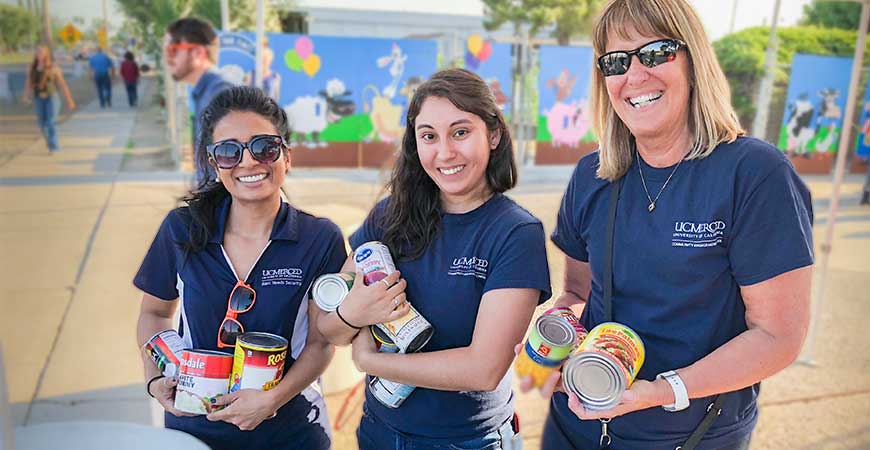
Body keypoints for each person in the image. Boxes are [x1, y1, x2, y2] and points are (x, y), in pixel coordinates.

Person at [528, 1, 814, 449]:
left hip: (689, 436)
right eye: (617, 61)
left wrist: (662, 391)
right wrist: (550, 342)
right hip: (575, 426)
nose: (635, 75)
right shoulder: (592, 175)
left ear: (693, 59)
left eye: (657, 51)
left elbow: (778, 336)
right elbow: (579, 296)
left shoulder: (755, 174)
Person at [317, 68, 552, 450]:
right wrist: (352, 315)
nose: (445, 152)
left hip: (467, 441)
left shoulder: (515, 232)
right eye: (429, 136)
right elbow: (327, 327)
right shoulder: (388, 216)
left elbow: (482, 369)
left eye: (461, 132)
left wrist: (370, 361)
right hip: (378, 431)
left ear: (492, 135)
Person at [134, 86, 342, 450]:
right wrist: (155, 380)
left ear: (286, 157)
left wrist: (272, 400)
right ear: (215, 165)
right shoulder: (181, 230)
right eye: (229, 152)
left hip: (290, 431)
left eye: (264, 147)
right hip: (194, 431)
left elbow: (321, 343)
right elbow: (153, 313)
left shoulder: (319, 239)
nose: (248, 162)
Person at [164, 17, 234, 186]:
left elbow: (230, 163)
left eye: (173, 50)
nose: (168, 59)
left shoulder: (218, 94)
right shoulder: (205, 92)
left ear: (197, 53)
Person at [21, 46, 76, 153]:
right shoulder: (31, 67)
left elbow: (63, 84)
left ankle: (54, 147)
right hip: (38, 98)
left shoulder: (54, 67)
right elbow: (28, 83)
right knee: (41, 124)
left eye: (42, 52)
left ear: (46, 54)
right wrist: (25, 95)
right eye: (38, 52)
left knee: (51, 122)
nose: (40, 54)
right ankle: (50, 141)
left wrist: (69, 100)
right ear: (35, 54)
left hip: (52, 98)